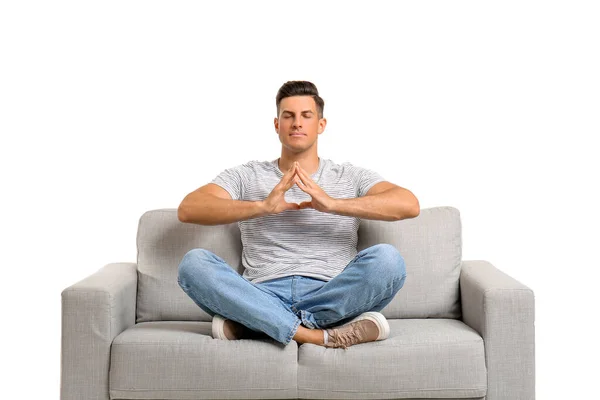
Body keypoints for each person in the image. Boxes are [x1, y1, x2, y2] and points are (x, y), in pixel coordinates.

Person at [177, 80, 420, 349]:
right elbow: (189, 208)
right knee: (193, 263)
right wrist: (262, 207)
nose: (297, 123)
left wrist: (332, 204)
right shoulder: (246, 175)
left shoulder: (350, 176)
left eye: (306, 116)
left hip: (331, 293)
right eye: (288, 116)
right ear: (276, 124)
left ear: (321, 125)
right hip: (262, 291)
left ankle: (259, 324)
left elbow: (408, 204)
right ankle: (316, 335)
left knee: (388, 259)